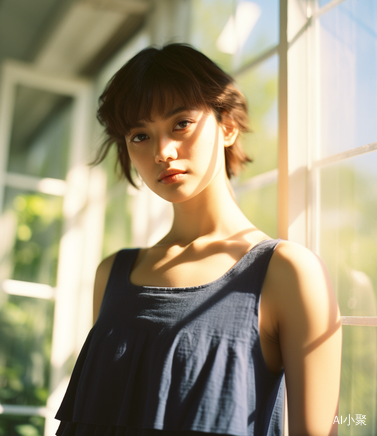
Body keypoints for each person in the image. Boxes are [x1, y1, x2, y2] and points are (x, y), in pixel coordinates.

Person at [55, 43, 342, 436]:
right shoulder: (112, 274)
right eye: (140, 135)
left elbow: (320, 429)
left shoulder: (286, 272)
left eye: (181, 123)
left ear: (227, 126)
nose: (162, 152)